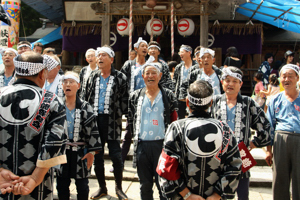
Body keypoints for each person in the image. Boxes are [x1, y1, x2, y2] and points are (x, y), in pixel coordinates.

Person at [157, 80, 242, 200]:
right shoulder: (225, 129)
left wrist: (187, 194)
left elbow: (166, 167)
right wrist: (217, 195)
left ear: (187, 102)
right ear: (211, 103)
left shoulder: (176, 128)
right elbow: (235, 165)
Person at [0, 51, 67, 199]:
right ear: (42, 74)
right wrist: (35, 177)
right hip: (36, 187)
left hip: (2, 184)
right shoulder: (51, 101)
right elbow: (55, 142)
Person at [211, 67, 271, 200]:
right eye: (227, 80)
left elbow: (265, 126)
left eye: (235, 81)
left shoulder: (248, 103)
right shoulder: (214, 101)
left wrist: (254, 143)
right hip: (218, 156)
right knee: (217, 193)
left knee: (243, 194)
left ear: (241, 84)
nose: (230, 84)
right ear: (222, 82)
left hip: (242, 153)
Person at [128, 62, 177, 200]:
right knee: (145, 185)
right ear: (143, 76)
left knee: (164, 184)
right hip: (142, 145)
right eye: (147, 73)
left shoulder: (168, 95)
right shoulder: (135, 96)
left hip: (162, 146)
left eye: (153, 73)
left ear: (160, 76)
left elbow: (174, 121)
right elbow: (131, 120)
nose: (150, 76)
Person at [84, 45, 128, 200]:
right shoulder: (92, 76)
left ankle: (119, 188)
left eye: (104, 55)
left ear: (112, 59)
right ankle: (102, 187)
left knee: (116, 155)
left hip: (112, 121)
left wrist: (121, 113)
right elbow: (85, 98)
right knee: (97, 155)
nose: (100, 58)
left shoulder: (120, 77)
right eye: (98, 55)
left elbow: (125, 99)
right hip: (94, 121)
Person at [56, 71, 102, 200]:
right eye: (65, 82)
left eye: (71, 82)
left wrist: (91, 153)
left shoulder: (85, 107)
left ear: (78, 85)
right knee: (61, 185)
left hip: (81, 152)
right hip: (62, 152)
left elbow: (93, 130)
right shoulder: (57, 106)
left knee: (82, 186)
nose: (68, 85)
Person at [266, 64, 300, 200]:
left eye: (290, 76)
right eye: (283, 76)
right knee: (280, 178)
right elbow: (269, 126)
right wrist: (268, 150)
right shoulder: (275, 99)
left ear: (297, 78)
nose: (286, 79)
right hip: (280, 140)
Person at [173, 44, 194, 119]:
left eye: (182, 52)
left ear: (189, 53)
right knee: (180, 117)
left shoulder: (195, 66)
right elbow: (175, 81)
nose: (180, 54)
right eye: (179, 53)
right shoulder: (179, 67)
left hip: (192, 95)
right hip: (180, 97)